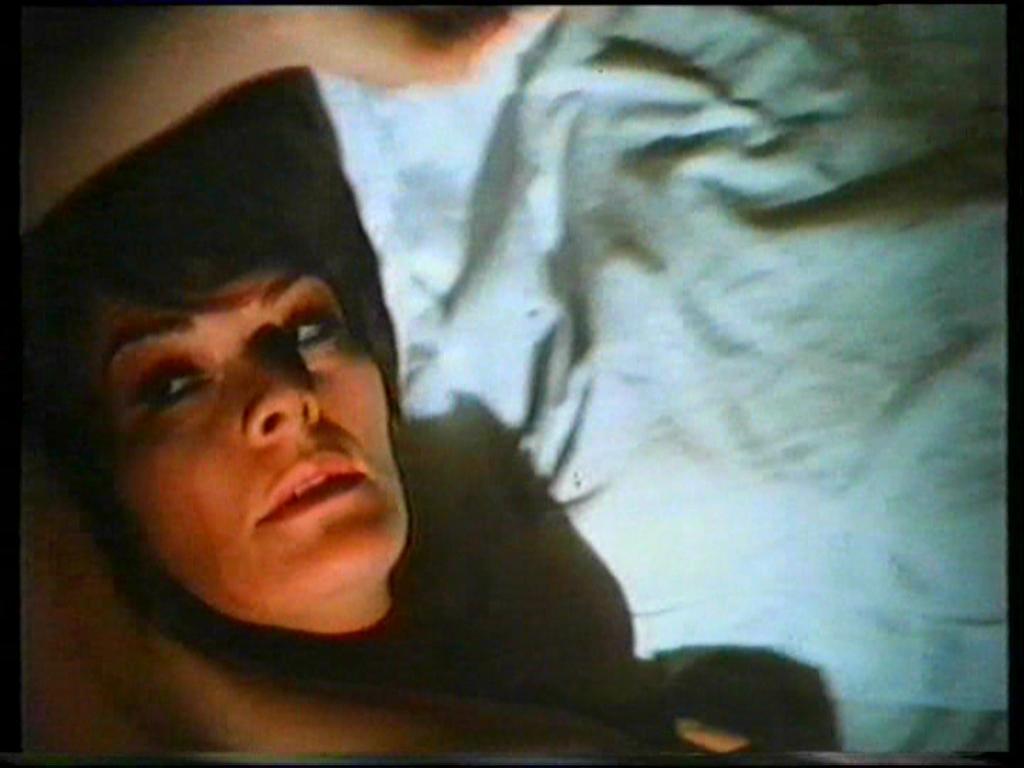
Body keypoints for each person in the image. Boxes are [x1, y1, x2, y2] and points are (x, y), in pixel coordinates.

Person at [21, 34, 840, 760]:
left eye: (307, 326)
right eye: (171, 383)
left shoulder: (536, 622)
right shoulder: (94, 704)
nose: (288, 396)